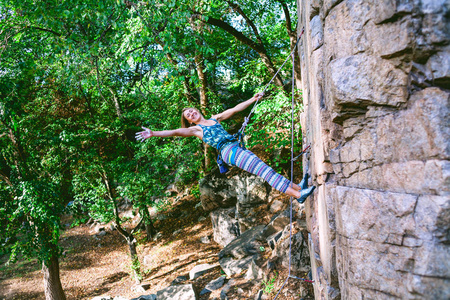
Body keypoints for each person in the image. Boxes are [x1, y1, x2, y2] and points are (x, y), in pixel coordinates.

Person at [135, 92, 315, 203]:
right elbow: (175, 132)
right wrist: (154, 133)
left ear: (197, 109)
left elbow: (235, 109)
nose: (191, 113)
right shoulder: (196, 129)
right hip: (229, 152)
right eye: (188, 114)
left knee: (266, 169)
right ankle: (298, 195)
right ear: (189, 120)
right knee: (265, 172)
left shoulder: (214, 119)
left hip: (236, 147)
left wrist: (253, 99)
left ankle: (297, 188)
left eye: (191, 109)